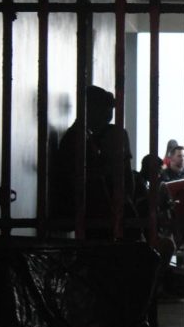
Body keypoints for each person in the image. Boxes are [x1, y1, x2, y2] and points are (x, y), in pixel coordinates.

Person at [50, 85, 133, 238]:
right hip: (90, 215)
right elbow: (89, 178)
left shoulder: (83, 137)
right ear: (91, 109)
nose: (109, 117)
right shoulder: (78, 139)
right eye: (106, 111)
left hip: (89, 215)